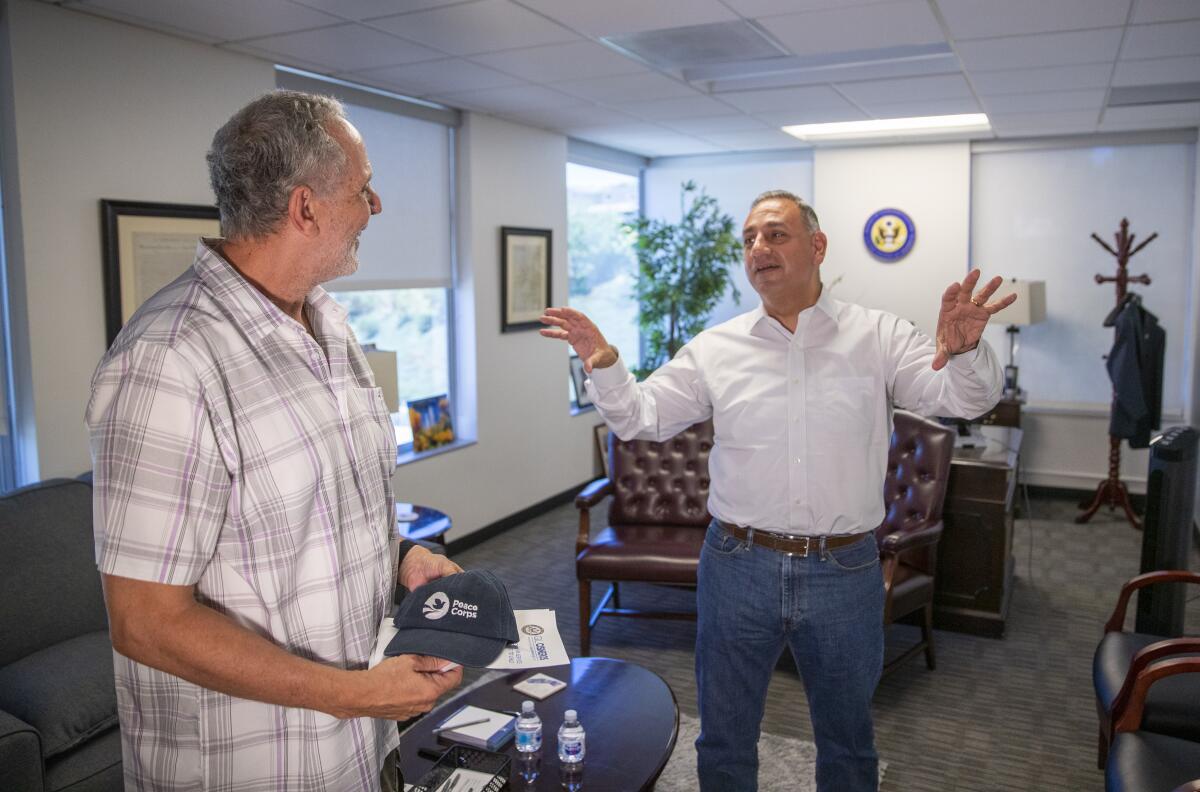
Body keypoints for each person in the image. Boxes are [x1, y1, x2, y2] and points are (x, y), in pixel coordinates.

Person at [540, 190, 1015, 792]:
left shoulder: (879, 336)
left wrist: (967, 350)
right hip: (738, 565)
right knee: (724, 736)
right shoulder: (716, 348)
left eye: (775, 234)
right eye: (748, 240)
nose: (758, 249)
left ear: (816, 246)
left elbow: (965, 398)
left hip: (845, 570)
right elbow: (641, 418)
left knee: (848, 741)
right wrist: (603, 361)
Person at [87, 91, 462, 791]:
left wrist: (403, 559)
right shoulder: (169, 361)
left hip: (354, 748)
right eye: (364, 189)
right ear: (306, 208)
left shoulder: (329, 326)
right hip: (250, 767)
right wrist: (354, 694)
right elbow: (145, 622)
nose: (375, 208)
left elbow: (319, 519)